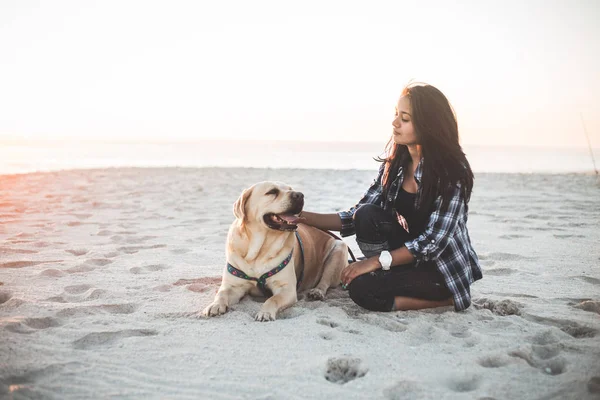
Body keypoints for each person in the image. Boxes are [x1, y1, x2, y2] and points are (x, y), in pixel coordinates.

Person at [298, 82, 482, 312]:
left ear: (429, 125)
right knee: (366, 216)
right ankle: (388, 275)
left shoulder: (452, 171)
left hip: (440, 269)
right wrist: (301, 217)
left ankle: (445, 300)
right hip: (405, 258)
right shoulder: (396, 164)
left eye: (405, 118)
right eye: (396, 114)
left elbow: (433, 243)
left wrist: (374, 262)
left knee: (362, 290)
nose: (395, 123)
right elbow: (355, 216)